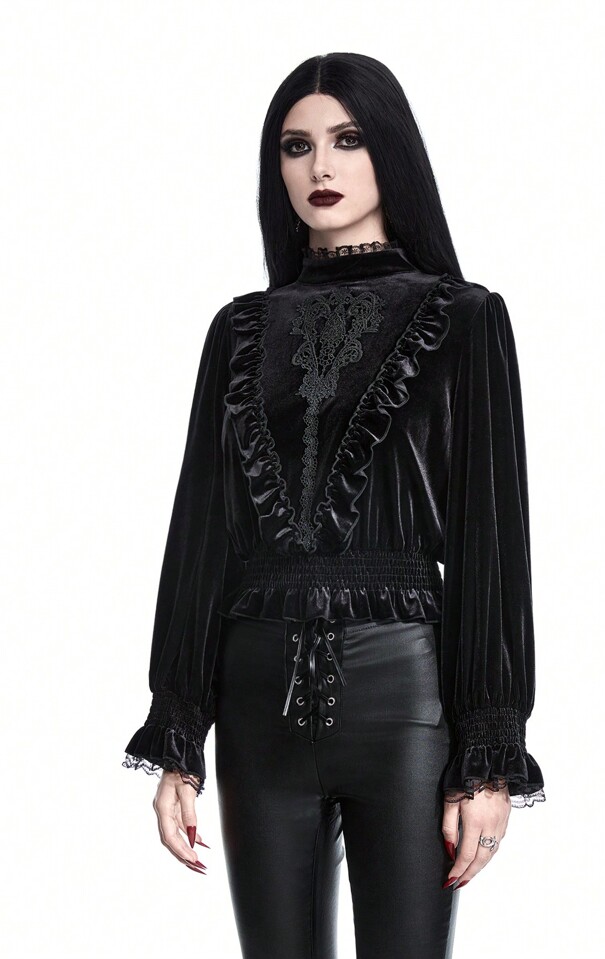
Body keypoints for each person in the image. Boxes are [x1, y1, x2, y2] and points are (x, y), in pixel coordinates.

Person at [123, 51, 546, 959]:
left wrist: (488, 751)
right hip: (254, 708)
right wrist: (177, 735)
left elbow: (491, 543)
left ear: (390, 150)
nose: (321, 166)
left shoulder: (464, 319)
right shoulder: (239, 330)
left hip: (406, 704)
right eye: (296, 146)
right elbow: (200, 537)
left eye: (348, 140)